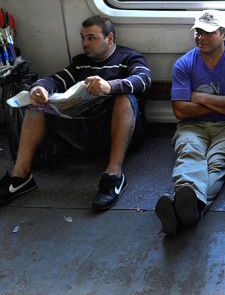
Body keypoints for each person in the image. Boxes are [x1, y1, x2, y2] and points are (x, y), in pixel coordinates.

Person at [0, 15, 151, 210]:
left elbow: (143, 79)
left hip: (120, 132)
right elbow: (56, 79)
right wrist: (40, 88)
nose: (85, 43)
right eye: (83, 38)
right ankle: (20, 176)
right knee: (36, 105)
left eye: (91, 37)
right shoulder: (81, 63)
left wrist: (109, 86)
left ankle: (114, 174)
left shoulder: (129, 58)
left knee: (124, 98)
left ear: (110, 38)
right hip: (84, 129)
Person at [155, 10, 225, 236]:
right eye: (198, 31)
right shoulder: (184, 63)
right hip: (192, 125)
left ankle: (183, 207)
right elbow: (180, 110)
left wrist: (200, 97)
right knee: (190, 154)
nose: (201, 37)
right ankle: (193, 208)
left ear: (223, 34)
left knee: (217, 163)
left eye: (208, 33)